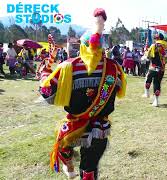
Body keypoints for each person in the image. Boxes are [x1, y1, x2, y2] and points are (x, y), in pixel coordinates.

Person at [38, 8, 126, 179]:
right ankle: (79, 171)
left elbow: (47, 92)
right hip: (100, 128)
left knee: (63, 146)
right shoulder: (114, 68)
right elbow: (120, 89)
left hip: (75, 125)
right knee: (89, 167)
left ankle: (69, 168)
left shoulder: (68, 67)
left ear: (83, 46)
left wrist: (44, 73)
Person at [142, 33, 167, 107]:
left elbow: (148, 56)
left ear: (157, 38)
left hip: (153, 67)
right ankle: (156, 101)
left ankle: (147, 93)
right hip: (162, 69)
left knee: (147, 79)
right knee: (157, 84)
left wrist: (146, 51)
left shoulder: (154, 46)